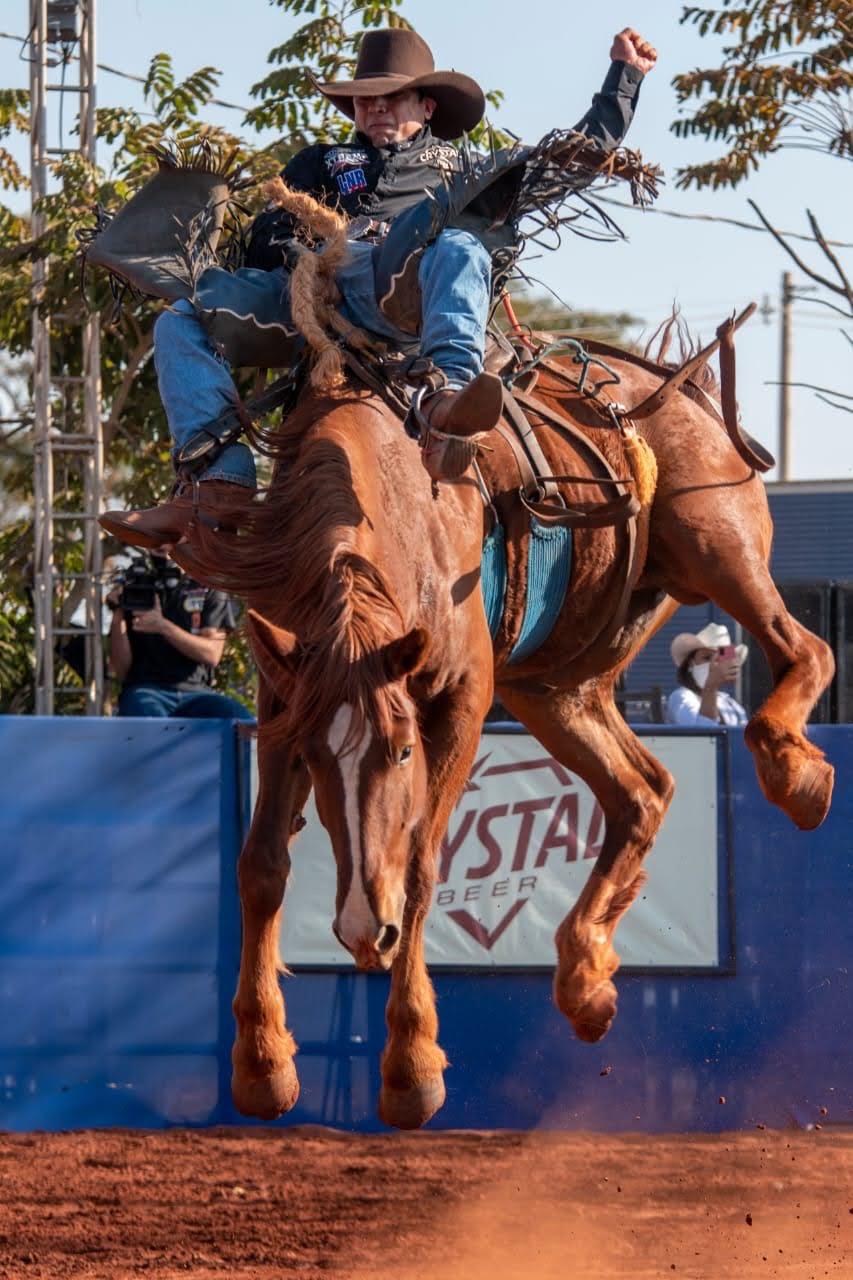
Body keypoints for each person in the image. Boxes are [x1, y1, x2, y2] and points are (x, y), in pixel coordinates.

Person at [98, 24, 657, 554]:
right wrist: (303, 250)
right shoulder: (317, 162)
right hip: (312, 296)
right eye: (365, 99)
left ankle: (447, 403)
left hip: (405, 288)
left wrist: (623, 79)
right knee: (181, 316)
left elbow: (571, 160)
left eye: (392, 96)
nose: (376, 108)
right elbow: (266, 241)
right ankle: (217, 482)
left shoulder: (460, 167)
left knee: (462, 244)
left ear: (426, 106)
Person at [107, 552, 253, 719]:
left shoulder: (207, 584)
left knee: (240, 718)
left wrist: (162, 626)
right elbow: (120, 670)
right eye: (157, 541)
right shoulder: (136, 585)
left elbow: (212, 654)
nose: (164, 548)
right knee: (148, 718)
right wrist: (118, 612)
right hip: (144, 690)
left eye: (170, 537)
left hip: (197, 693)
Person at [665, 622, 748, 728]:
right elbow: (704, 735)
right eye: (707, 658)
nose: (713, 665)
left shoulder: (731, 704)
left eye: (719, 660)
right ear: (691, 663)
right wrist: (711, 685)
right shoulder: (681, 697)